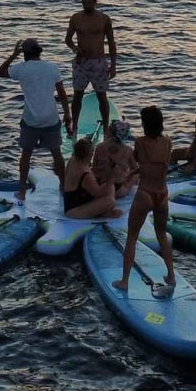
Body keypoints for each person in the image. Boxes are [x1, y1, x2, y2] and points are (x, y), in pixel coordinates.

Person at [0, 37, 73, 202]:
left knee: (26, 154)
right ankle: (63, 186)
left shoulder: (22, 68)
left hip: (31, 120)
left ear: (24, 53)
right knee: (56, 153)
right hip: (51, 118)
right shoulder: (52, 67)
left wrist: (13, 54)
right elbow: (62, 93)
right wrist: (67, 113)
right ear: (39, 51)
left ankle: (22, 192)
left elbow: (0, 72)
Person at [114, 105, 175, 295]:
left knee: (132, 237)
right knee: (162, 235)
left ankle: (124, 281)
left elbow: (140, 159)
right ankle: (171, 275)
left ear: (145, 124)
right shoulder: (168, 142)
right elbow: (155, 166)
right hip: (162, 195)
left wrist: (129, 170)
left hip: (146, 193)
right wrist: (134, 171)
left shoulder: (140, 142)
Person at [64, 0, 116, 138]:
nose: (86, 5)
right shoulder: (76, 18)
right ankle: (75, 127)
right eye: (83, 2)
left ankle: (106, 128)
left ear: (95, 2)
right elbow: (68, 39)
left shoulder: (104, 19)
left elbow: (111, 42)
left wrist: (113, 65)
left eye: (89, 3)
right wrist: (75, 48)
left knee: (102, 96)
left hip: (99, 61)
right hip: (81, 62)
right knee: (77, 95)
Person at [61, 136, 122, 220]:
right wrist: (111, 178)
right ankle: (105, 211)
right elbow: (98, 194)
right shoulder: (85, 174)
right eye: (92, 154)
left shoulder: (73, 160)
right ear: (87, 155)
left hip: (79, 200)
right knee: (110, 202)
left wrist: (104, 171)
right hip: (74, 211)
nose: (92, 156)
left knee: (110, 187)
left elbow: (90, 176)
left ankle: (104, 211)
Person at [93, 118, 140, 198]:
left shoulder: (100, 147)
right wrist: (126, 174)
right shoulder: (128, 149)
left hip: (101, 186)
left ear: (110, 131)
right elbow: (135, 169)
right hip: (117, 190)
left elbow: (95, 166)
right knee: (136, 173)